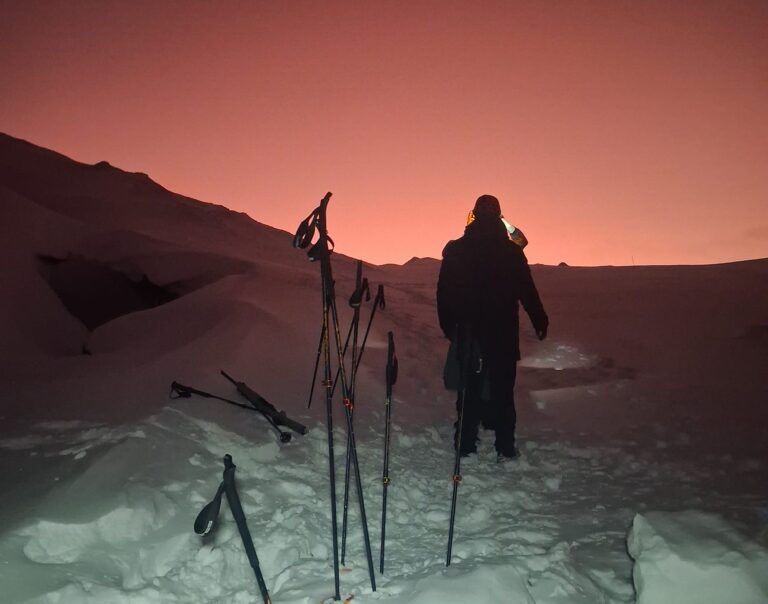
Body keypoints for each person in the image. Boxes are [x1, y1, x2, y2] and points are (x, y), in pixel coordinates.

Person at [437, 194, 548, 461]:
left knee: (468, 389)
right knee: (502, 390)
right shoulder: (511, 252)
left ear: (474, 214)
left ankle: (465, 445)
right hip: (503, 334)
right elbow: (527, 290)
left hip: (469, 333)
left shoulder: (457, 249)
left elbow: (444, 293)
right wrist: (539, 319)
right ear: (499, 216)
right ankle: (505, 448)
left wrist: (449, 327)